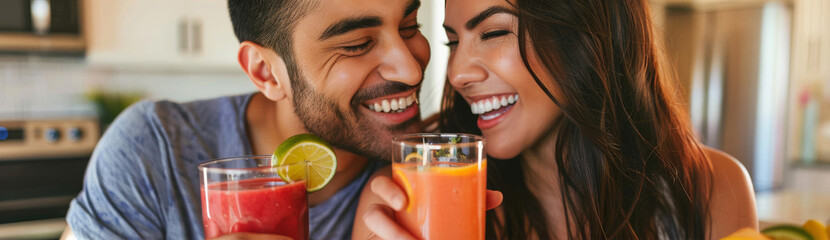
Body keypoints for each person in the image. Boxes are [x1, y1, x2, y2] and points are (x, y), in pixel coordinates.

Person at [354, 0, 758, 239]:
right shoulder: (409, 196)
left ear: (585, 32)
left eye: (493, 33)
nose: (457, 73)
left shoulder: (710, 187)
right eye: (453, 41)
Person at [63, 0, 429, 239]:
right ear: (265, 72)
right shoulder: (154, 148)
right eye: (356, 45)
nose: (411, 70)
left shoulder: (435, 172)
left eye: (410, 26)